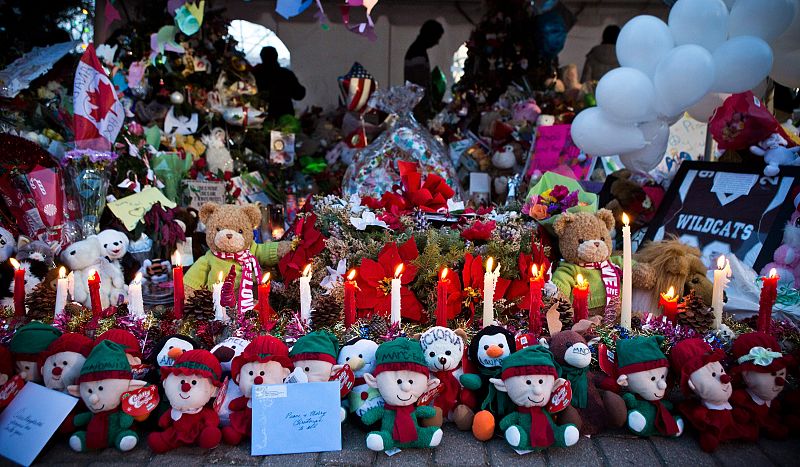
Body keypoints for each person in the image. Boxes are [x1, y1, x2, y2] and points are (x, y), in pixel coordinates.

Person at [404, 20, 444, 121]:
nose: (437, 42)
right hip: (418, 110)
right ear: (429, 35)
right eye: (436, 38)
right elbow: (420, 84)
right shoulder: (417, 53)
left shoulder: (417, 51)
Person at [252, 46, 306, 121]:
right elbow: (299, 95)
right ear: (276, 56)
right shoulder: (286, 74)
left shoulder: (255, 74)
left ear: (262, 57)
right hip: (284, 118)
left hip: (260, 118)